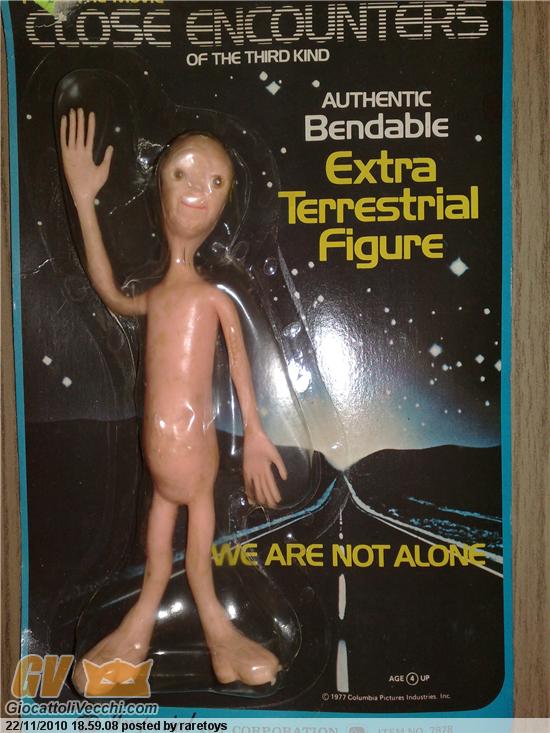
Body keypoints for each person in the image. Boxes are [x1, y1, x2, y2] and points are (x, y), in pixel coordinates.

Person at [60, 108, 288, 692]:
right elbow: (109, 292)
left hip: (198, 466)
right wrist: (84, 200)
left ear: (226, 202)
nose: (197, 192)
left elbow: (240, 367)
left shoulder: (214, 299)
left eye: (216, 182)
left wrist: (256, 435)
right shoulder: (157, 297)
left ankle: (221, 642)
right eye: (183, 175)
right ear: (159, 188)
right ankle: (139, 638)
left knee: (199, 567)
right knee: (158, 564)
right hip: (160, 472)